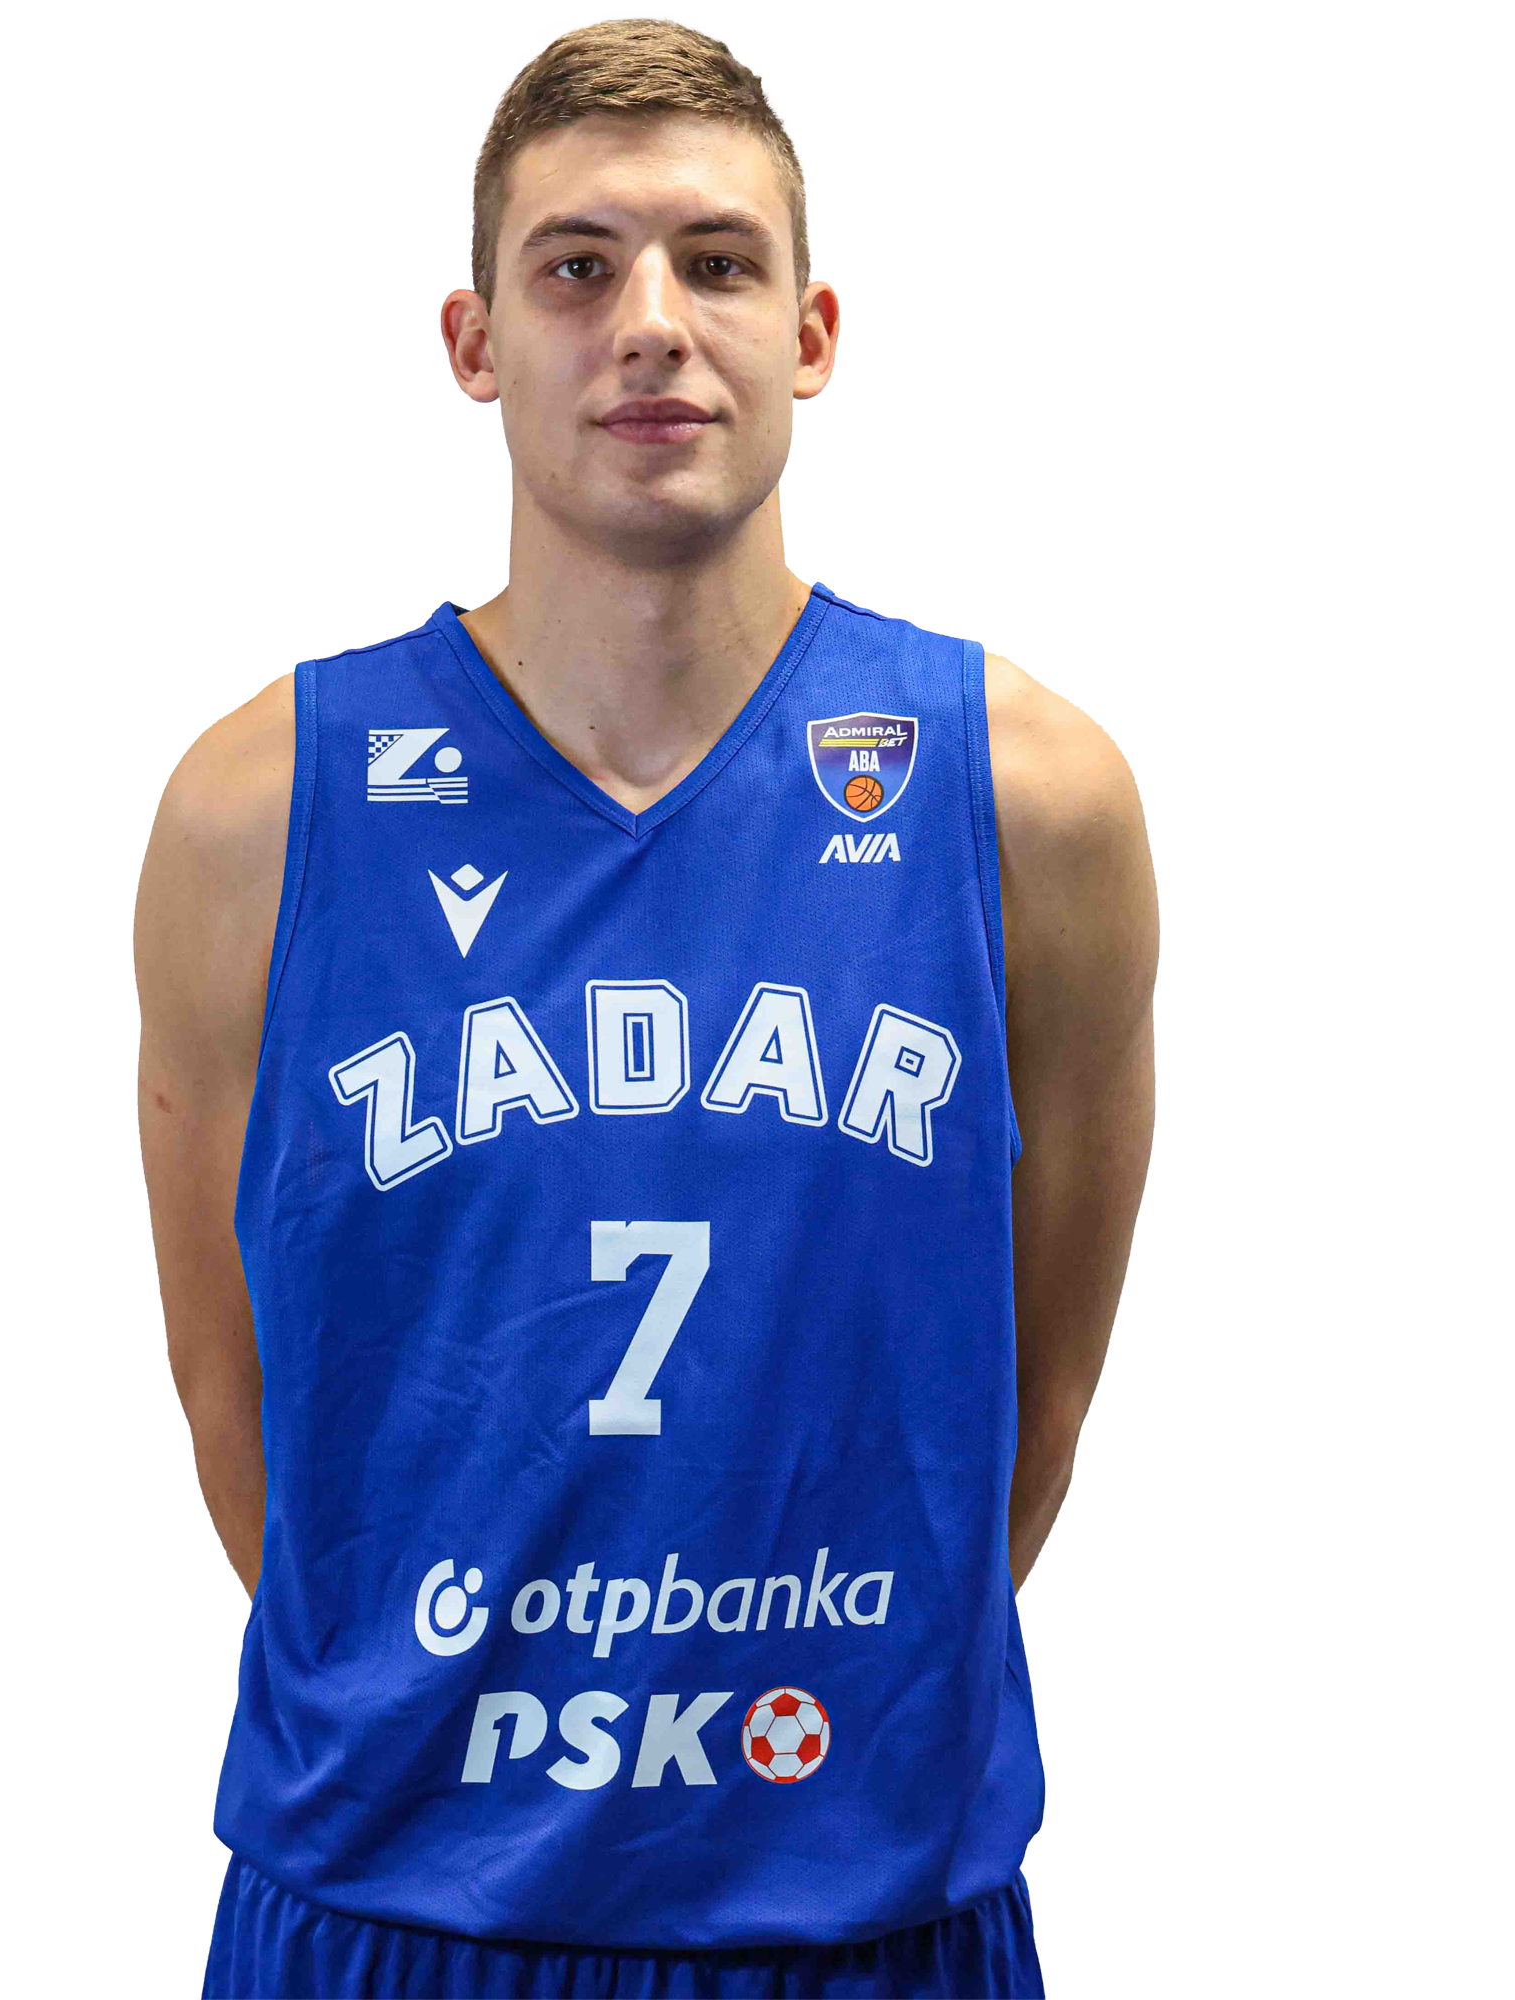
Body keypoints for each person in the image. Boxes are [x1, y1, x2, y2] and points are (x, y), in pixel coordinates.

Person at [135, 17, 1157, 1997]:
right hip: (392, 1907)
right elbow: (234, 1388)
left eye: (718, 261)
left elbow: (1031, 1393)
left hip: (857, 1905)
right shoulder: (260, 810)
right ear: (474, 341)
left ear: (812, 331)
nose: (653, 324)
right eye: (577, 267)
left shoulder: (1028, 799)